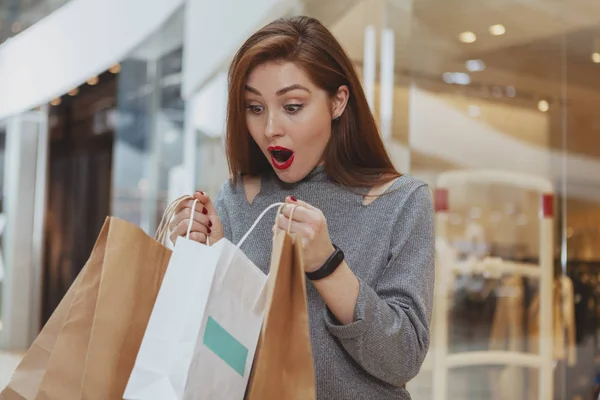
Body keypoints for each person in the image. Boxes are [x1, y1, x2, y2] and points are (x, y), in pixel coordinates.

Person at [170, 16, 435, 400]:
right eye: (255, 108)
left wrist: (327, 265)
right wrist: (207, 263)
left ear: (338, 101)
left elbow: (402, 360)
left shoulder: (402, 201)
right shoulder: (236, 198)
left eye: (292, 106)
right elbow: (218, 354)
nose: (270, 128)